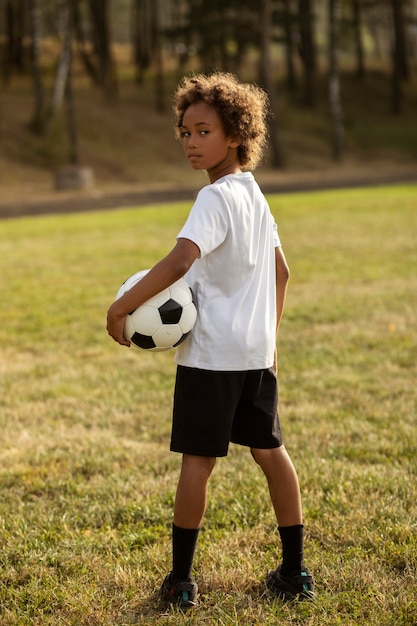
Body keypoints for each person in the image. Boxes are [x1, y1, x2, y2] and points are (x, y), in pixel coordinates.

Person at [106, 71, 315, 610]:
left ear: (237, 136)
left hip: (212, 359)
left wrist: (123, 306)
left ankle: (180, 581)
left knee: (197, 463)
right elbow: (283, 272)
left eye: (203, 131)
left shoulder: (215, 198)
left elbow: (181, 260)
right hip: (254, 356)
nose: (191, 143)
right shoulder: (255, 197)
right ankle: (295, 573)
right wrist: (270, 338)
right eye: (184, 132)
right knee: (272, 454)